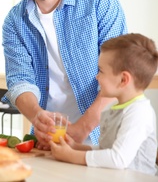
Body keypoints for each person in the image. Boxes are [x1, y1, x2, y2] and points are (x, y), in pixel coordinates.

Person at [1, 0, 128, 149]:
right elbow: (19, 81)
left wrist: (83, 128)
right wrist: (37, 116)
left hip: (105, 137)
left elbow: (118, 73)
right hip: (50, 140)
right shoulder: (14, 22)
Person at [50, 33, 158, 176]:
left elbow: (118, 159)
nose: (97, 76)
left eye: (101, 70)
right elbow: (106, 152)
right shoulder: (117, 108)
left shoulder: (139, 113)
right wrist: (77, 148)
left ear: (123, 80)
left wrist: (71, 156)